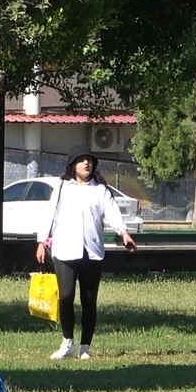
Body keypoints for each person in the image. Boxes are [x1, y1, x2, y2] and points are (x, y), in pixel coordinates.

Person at [35, 145, 137, 360]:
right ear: (73, 165)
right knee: (65, 296)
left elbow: (112, 213)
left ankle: (85, 348)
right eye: (81, 160)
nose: (86, 163)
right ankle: (67, 342)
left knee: (89, 300)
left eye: (89, 160)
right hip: (64, 249)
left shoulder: (100, 190)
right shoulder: (63, 187)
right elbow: (49, 216)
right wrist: (41, 242)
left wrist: (123, 233)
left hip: (92, 251)